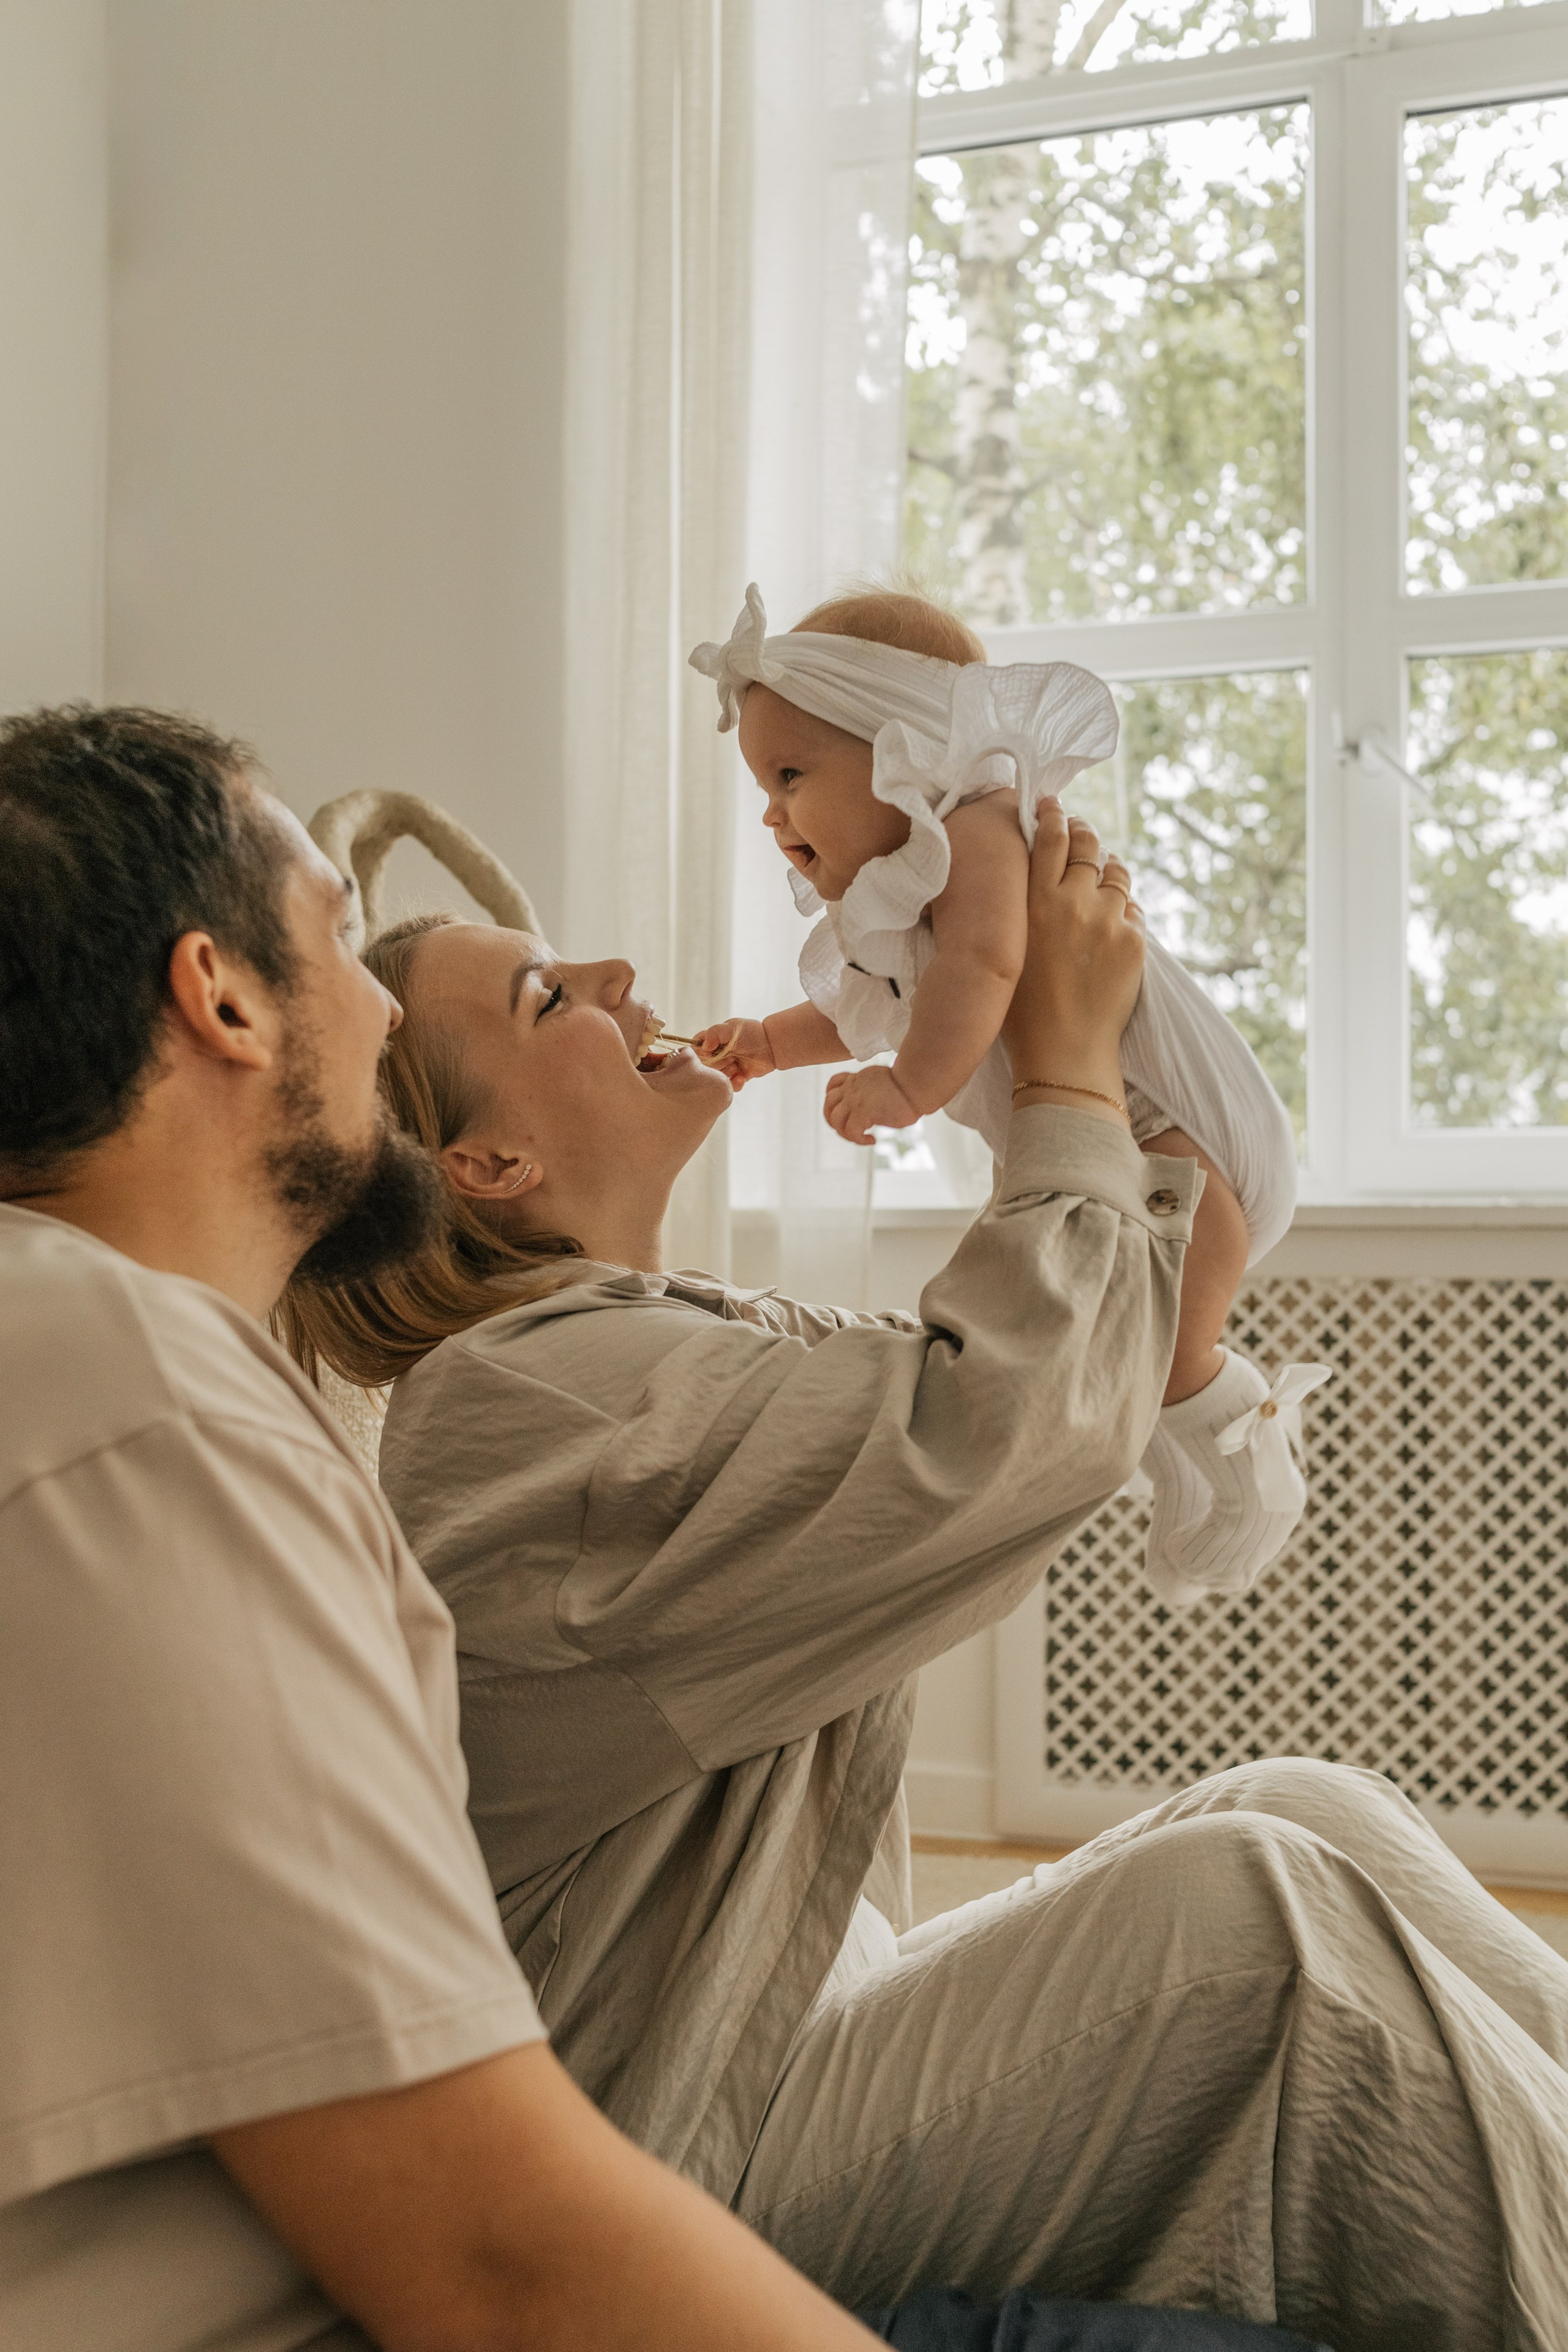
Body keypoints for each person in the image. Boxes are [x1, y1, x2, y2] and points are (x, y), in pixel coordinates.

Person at [282, 809, 1568, 2351]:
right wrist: (1069, 1074)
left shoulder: (640, 1338)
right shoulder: (525, 1404)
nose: (620, 972)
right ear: (489, 1160)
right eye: (550, 996)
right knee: (1249, 1922)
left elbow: (1032, 1366)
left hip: (792, 2008)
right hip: (673, 2146)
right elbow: (990, 1426)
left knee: (1307, 1802)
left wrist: (1087, 1076)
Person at [0, 704, 883, 2352]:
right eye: (343, 932)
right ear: (224, 995)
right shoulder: (138, 1397)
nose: (389, 1002)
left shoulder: (90, 1361)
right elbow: (496, 2254)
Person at [687, 584, 1324, 1607]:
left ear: (905, 749)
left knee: (1159, 1356)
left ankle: (1250, 1454)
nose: (772, 811)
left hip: (1179, 1136)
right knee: (1114, 1368)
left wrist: (906, 1089)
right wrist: (769, 1040)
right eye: (766, 783)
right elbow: (881, 1005)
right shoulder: (909, 897)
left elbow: (982, 969)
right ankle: (1184, 1456)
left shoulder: (982, 829)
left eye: (792, 774)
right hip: (1111, 1136)